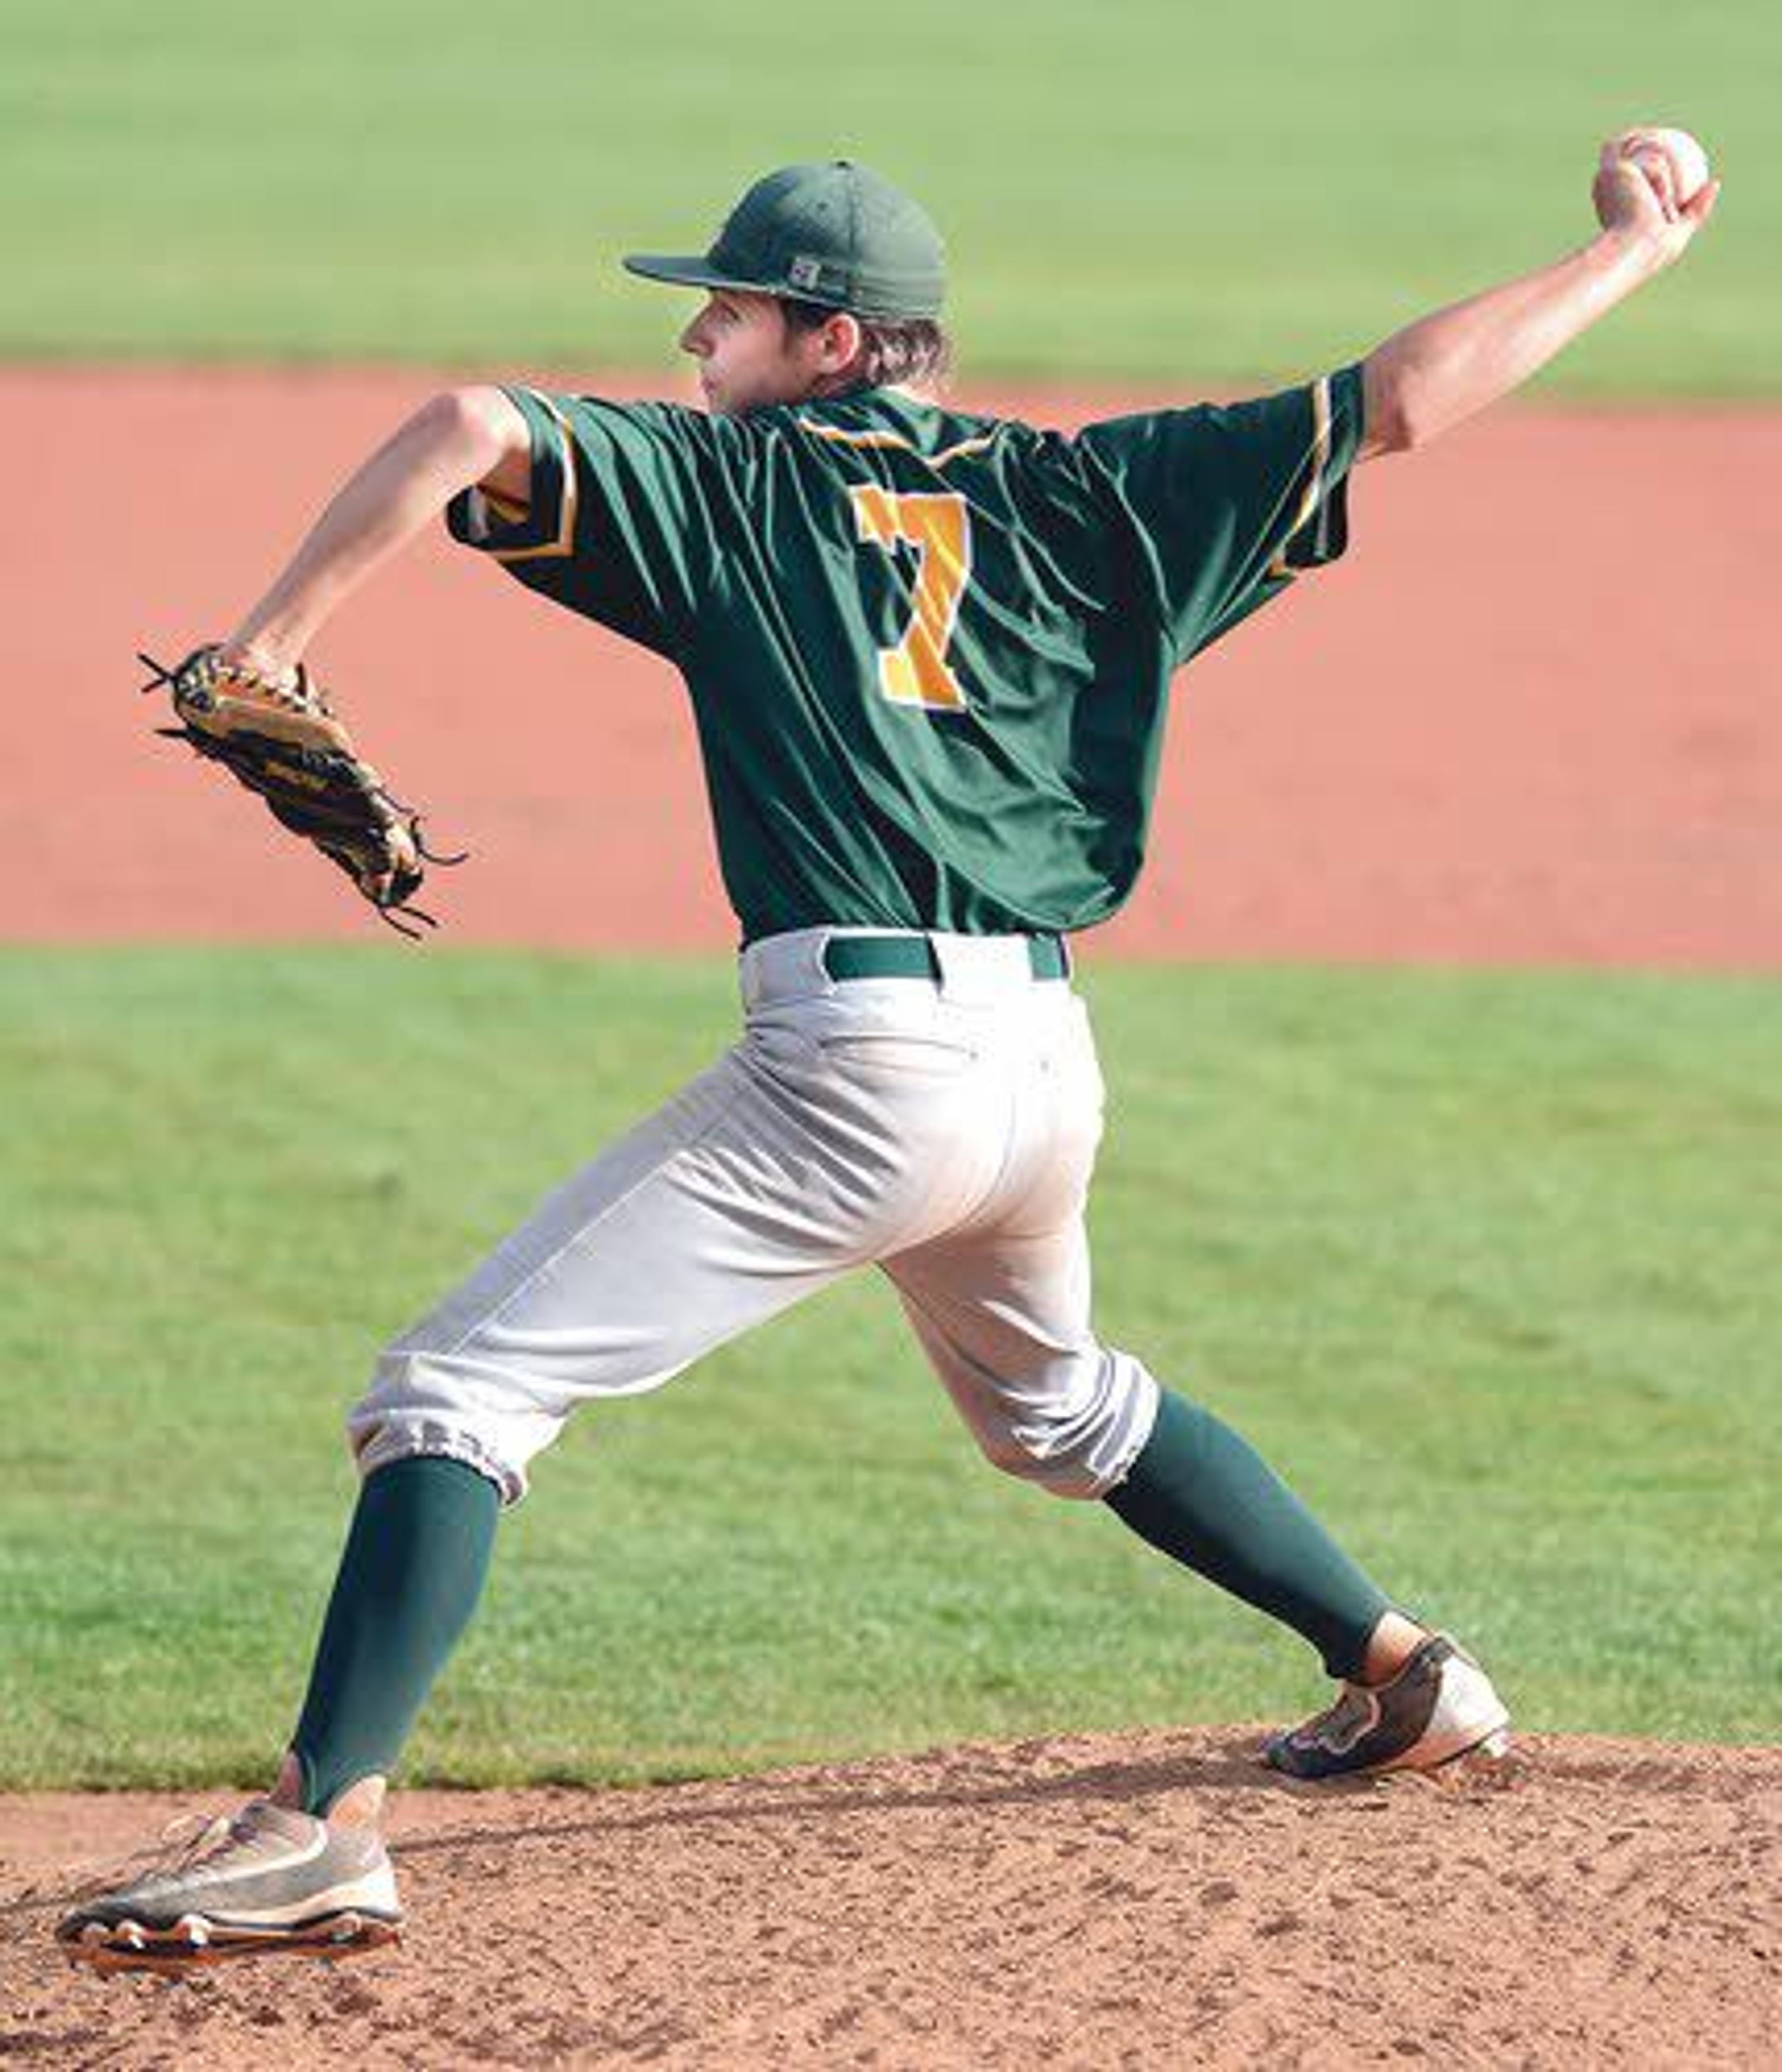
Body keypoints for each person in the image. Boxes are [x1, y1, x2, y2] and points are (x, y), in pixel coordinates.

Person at [61, 145, 1716, 1969]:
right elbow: (1402, 399)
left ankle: (317, 1829)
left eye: (730, 307)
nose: (696, 336)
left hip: (851, 1072)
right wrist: (1634, 251)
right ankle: (1404, 1675)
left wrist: (271, 642)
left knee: (454, 1388)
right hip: (1040, 1069)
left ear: (833, 340)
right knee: (1062, 1407)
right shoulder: (1091, 488)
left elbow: (465, 420)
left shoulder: (728, 484)